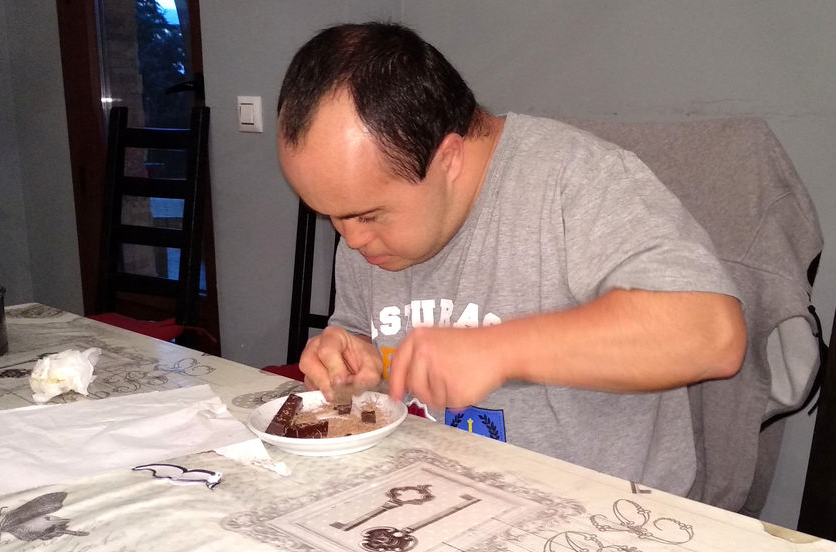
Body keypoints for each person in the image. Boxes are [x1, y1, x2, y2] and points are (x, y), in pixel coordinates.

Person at [276, 21, 746, 496]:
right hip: (440, 493)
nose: (351, 239)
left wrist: (499, 350)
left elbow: (712, 334)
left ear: (448, 159)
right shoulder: (368, 228)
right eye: (330, 216)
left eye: (368, 215)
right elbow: (366, 336)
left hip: (604, 512)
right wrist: (354, 356)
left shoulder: (577, 180)